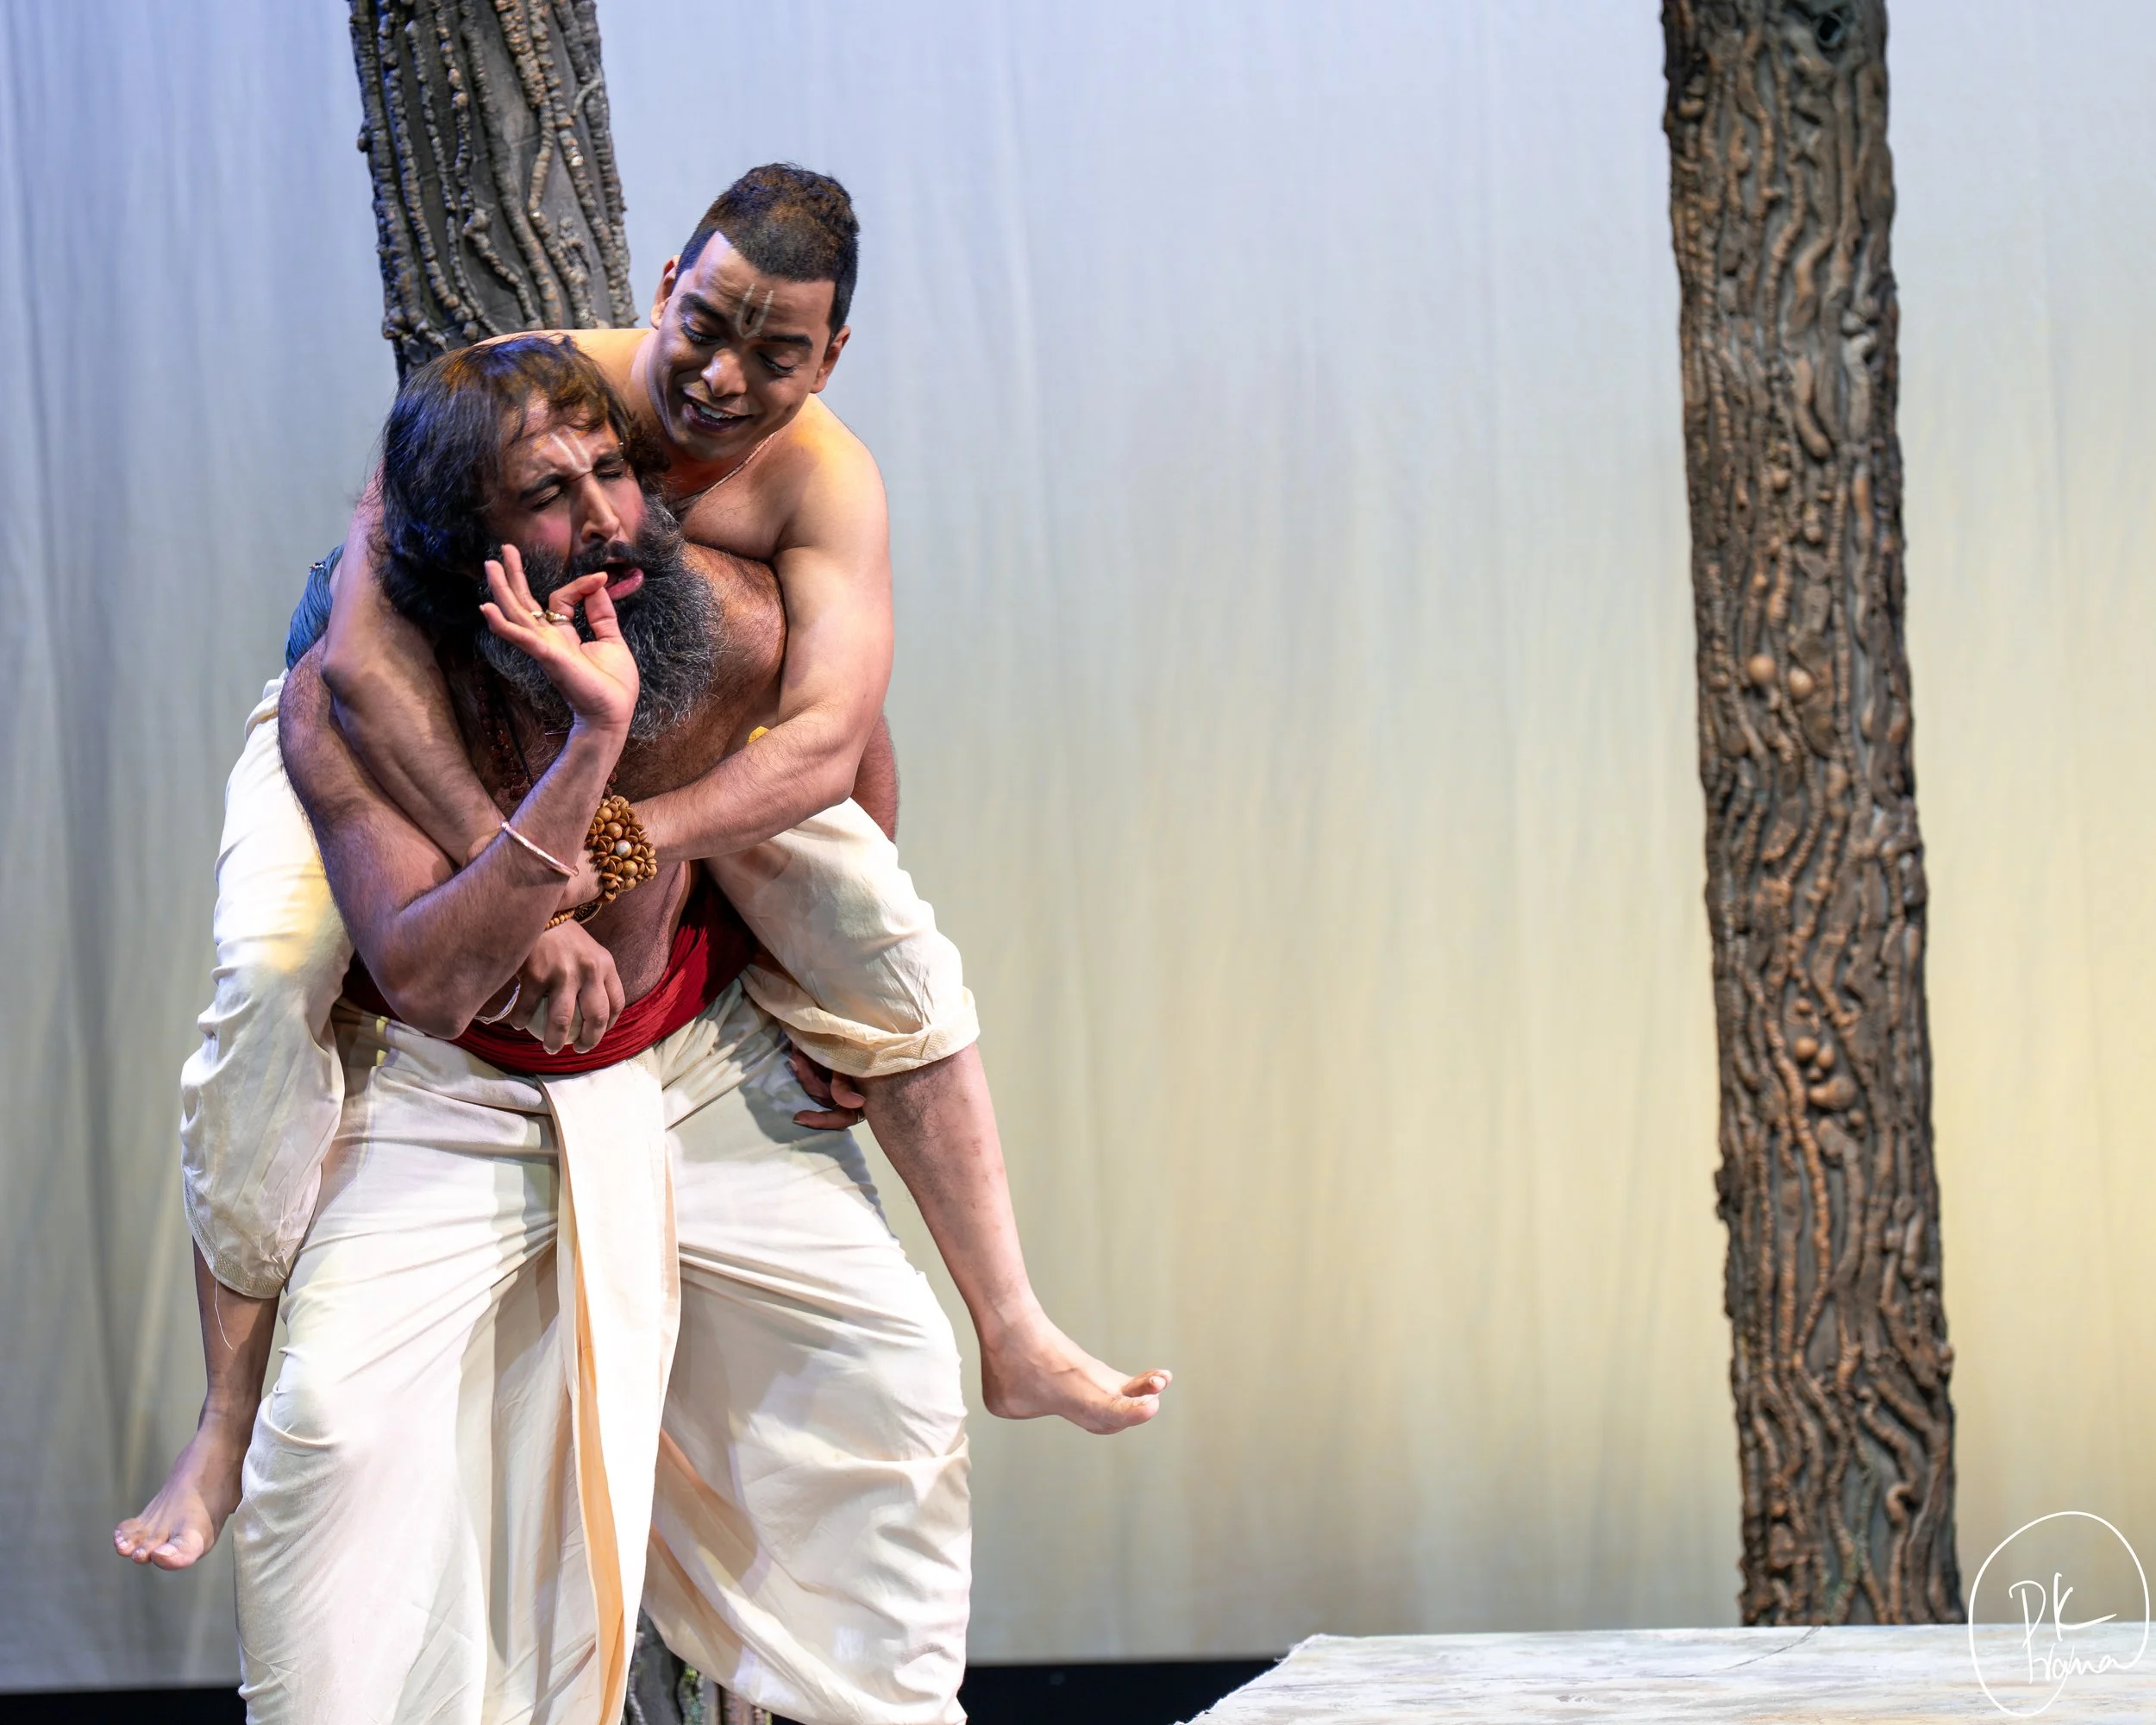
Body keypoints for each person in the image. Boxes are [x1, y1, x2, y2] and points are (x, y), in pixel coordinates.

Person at [116, 170, 1169, 1580]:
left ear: (830, 357)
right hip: (402, 748)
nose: (721, 378)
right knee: (266, 975)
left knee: (888, 938)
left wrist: (667, 869)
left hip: (663, 772)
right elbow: (359, 661)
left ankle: (1014, 1325)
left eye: (774, 352)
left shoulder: (824, 484)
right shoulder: (528, 392)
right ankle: (225, 1420)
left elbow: (833, 737)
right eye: (705, 326)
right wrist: (518, 869)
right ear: (667, 285)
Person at [211, 338, 1119, 1723]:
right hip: (445, 1095)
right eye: (549, 496)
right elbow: (432, 979)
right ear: (460, 546)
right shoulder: (358, 698)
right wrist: (587, 744)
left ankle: (1011, 1329)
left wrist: (796, 979)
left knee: (889, 1373)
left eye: (613, 473)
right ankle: (216, 1426)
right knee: (328, 1410)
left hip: (688, 1063)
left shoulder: (724, 620)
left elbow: (846, 767)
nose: (606, 518)